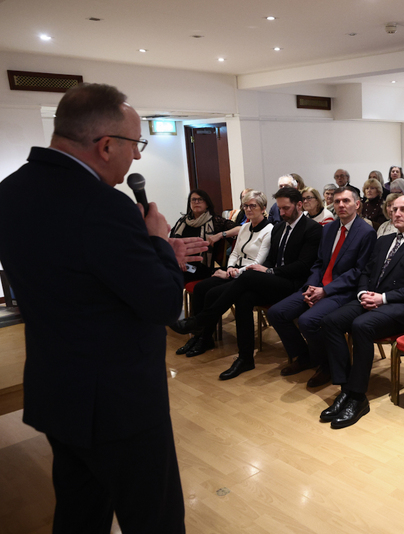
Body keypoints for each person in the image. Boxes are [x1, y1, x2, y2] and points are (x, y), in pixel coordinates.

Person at [0, 83, 208, 532]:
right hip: (118, 403)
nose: (137, 158)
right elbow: (165, 303)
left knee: (79, 511)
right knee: (154, 518)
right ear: (106, 144)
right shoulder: (101, 206)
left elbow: (78, 277)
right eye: (136, 144)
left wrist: (146, 251)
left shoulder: (10, 191)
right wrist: (157, 243)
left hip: (57, 388)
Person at [171, 187, 323, 380]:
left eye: (286, 208)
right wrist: (264, 269)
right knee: (244, 298)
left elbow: (303, 266)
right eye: (280, 209)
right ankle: (245, 358)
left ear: (299, 205)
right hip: (275, 279)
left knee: (248, 277)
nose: (282, 213)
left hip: (294, 283)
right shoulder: (280, 228)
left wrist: (268, 271)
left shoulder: (312, 229)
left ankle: (200, 321)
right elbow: (270, 259)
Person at [320, 195, 404, 428]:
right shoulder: (383, 240)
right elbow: (365, 271)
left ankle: (357, 397)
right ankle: (346, 388)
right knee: (331, 321)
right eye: (394, 209)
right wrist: (363, 292)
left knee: (361, 326)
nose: (396, 213)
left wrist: (382, 298)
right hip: (372, 299)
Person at [270, 187, 377, 388]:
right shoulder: (328, 229)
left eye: (346, 201)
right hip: (318, 285)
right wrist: (312, 285)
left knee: (307, 321)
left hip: (342, 292)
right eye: (337, 202)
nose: (341, 205)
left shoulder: (366, 232)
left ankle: (327, 365)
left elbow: (358, 271)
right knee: (277, 313)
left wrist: (325, 291)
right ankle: (305, 356)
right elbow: (319, 263)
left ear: (357, 204)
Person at [176, 191, 273, 358]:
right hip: (234, 271)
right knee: (201, 288)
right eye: (245, 206)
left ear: (263, 208)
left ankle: (205, 336)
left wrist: (235, 272)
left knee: (212, 293)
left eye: (253, 206)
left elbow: (259, 260)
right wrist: (229, 268)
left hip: (249, 274)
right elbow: (234, 253)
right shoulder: (244, 227)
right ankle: (199, 336)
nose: (248, 209)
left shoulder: (269, 230)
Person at [170, 189, 236, 281]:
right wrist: (178, 259)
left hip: (202, 266)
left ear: (207, 204)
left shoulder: (215, 221)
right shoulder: (182, 222)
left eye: (200, 199)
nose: (196, 202)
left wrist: (221, 234)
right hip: (180, 262)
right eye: (193, 200)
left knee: (169, 275)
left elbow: (240, 229)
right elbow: (172, 243)